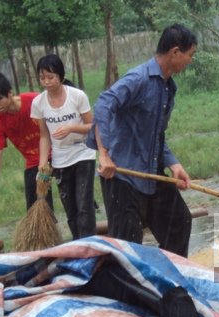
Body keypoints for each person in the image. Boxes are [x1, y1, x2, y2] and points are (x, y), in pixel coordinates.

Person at [87, 24, 196, 257]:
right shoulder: (139, 78)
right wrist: (104, 154)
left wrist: (173, 164)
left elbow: (155, 134)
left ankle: (168, 284)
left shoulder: (168, 87)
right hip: (123, 175)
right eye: (190, 55)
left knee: (179, 223)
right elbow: (104, 104)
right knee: (128, 245)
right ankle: (130, 291)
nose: (190, 60)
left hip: (151, 171)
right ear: (175, 52)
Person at [31, 54, 96, 240]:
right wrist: (43, 166)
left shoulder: (77, 96)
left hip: (83, 153)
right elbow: (44, 136)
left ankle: (90, 246)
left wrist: (71, 128)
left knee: (84, 205)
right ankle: (78, 243)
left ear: (60, 75)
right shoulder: (39, 103)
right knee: (70, 209)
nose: (46, 82)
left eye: (50, 77)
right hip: (60, 159)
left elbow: (92, 126)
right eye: (42, 78)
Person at [0, 73, 53, 211]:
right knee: (35, 209)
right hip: (34, 163)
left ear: (9, 93)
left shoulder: (34, 100)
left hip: (58, 152)